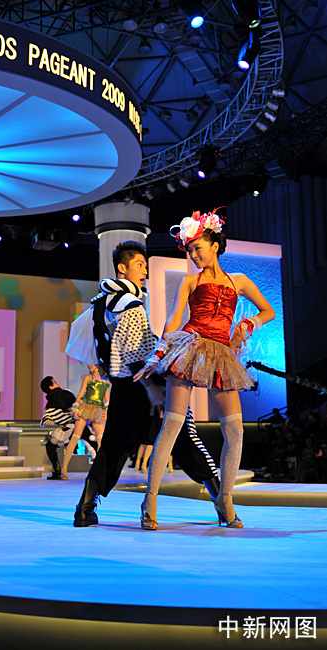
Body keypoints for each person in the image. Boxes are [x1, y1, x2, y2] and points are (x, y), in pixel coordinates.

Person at [134, 209, 275, 529]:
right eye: (189, 250)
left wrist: (248, 323)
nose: (193, 255)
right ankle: (150, 500)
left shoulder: (238, 281)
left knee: (235, 431)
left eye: (197, 247)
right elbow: (174, 319)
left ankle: (225, 499)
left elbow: (268, 311)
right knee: (172, 425)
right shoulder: (190, 281)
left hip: (221, 355)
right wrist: (159, 352)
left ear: (214, 245)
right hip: (190, 347)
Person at [66, 240, 222, 527]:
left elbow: (91, 343)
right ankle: (223, 504)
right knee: (184, 439)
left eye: (145, 266)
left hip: (122, 387)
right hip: (144, 384)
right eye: (139, 265)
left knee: (113, 447)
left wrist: (111, 370)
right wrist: (153, 388)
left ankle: (84, 509)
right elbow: (138, 350)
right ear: (122, 268)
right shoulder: (131, 304)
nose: (144, 271)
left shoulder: (100, 304)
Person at [40, 376, 97, 479]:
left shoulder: (50, 403)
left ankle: (58, 471)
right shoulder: (66, 393)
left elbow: (47, 420)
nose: (57, 383)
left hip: (65, 431)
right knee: (94, 442)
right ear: (51, 386)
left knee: (50, 446)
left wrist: (60, 424)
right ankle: (104, 466)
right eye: (55, 382)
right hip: (78, 424)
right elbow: (76, 405)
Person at [61, 364, 110, 480]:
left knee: (101, 440)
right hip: (85, 407)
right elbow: (80, 394)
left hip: (98, 409)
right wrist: (75, 409)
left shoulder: (106, 381)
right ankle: (64, 468)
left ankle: (101, 469)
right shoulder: (88, 378)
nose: (89, 366)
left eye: (91, 363)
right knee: (75, 437)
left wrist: (106, 411)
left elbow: (106, 399)